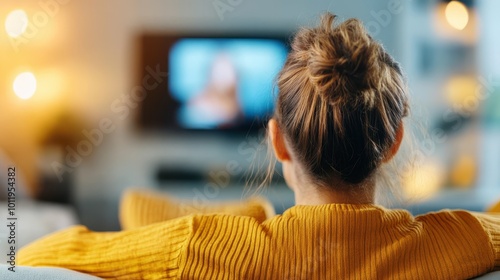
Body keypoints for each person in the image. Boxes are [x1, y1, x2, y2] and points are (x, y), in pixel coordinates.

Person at [18, 13, 500, 279]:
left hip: (224, 229)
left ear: (277, 142)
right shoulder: (456, 239)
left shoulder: (203, 246)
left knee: (137, 206)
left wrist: (245, 226)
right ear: (393, 143)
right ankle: (254, 213)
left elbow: (42, 255)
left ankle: (253, 213)